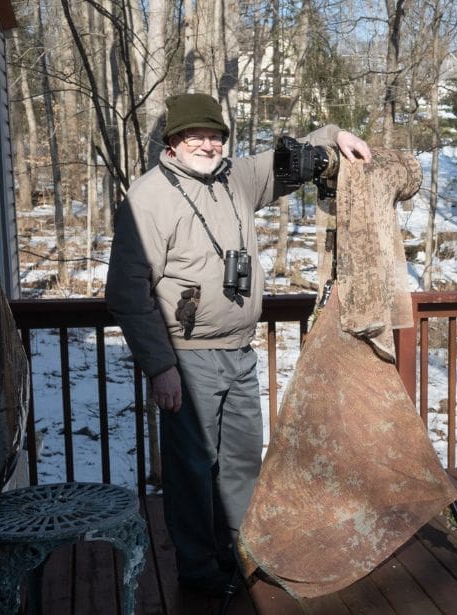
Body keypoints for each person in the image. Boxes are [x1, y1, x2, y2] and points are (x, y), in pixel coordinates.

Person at [105, 92, 371, 596]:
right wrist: (160, 366)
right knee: (189, 472)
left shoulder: (235, 178)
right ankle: (198, 570)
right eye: (195, 135)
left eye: (214, 135)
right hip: (186, 359)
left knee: (243, 461)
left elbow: (285, 164)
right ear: (174, 141)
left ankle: (240, 552)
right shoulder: (147, 198)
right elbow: (125, 293)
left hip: (239, 352)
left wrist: (334, 135)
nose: (207, 144)